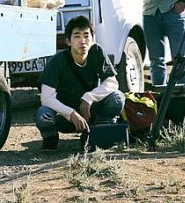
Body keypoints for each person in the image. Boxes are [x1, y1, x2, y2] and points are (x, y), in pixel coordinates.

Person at [35, 15, 126, 152]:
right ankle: (50, 137)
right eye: (77, 36)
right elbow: (46, 98)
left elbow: (112, 82)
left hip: (90, 112)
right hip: (65, 117)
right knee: (43, 115)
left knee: (117, 98)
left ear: (92, 39)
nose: (83, 41)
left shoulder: (97, 52)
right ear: (68, 41)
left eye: (86, 36)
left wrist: (89, 97)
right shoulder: (57, 61)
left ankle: (95, 133)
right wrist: (71, 113)